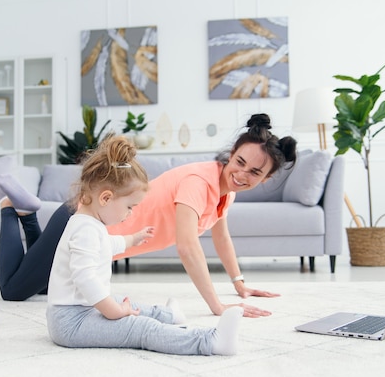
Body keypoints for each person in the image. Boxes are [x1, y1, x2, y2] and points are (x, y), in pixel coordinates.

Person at [0, 113, 297, 318]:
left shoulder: (223, 192)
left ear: (266, 179)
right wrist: (218, 307)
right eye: (240, 162)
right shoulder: (199, 182)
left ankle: (28, 213)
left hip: (90, 240)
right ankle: (11, 210)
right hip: (79, 225)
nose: (242, 174)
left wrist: (239, 283)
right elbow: (188, 247)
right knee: (12, 290)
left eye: (255, 172)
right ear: (231, 155)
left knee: (45, 285)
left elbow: (221, 236)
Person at [45, 135, 244, 355]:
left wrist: (132, 238)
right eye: (130, 207)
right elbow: (85, 278)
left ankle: (167, 314)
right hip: (71, 322)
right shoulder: (85, 230)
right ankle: (209, 342)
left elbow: (106, 246)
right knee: (140, 328)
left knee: (121, 300)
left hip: (79, 310)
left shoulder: (89, 224)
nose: (130, 214)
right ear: (105, 198)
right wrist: (114, 312)